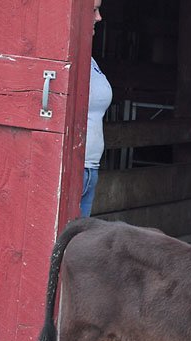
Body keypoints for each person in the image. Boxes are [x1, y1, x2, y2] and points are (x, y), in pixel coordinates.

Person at [80, 0, 112, 217]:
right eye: (94, 10)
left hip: (90, 168)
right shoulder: (67, 58)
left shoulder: (89, 59)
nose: (99, 17)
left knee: (75, 246)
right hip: (73, 167)